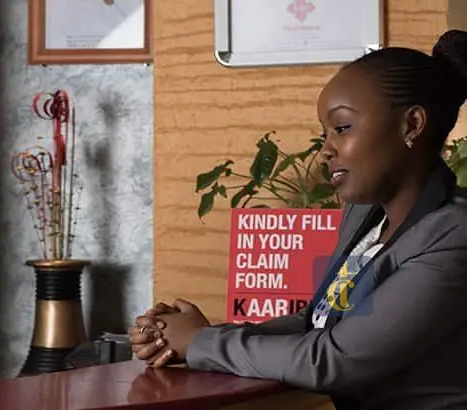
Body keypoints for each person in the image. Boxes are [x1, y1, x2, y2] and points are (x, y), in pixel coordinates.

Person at [129, 29, 467, 410]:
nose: (326, 150)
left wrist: (199, 342)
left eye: (342, 128)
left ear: (412, 125)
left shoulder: (454, 235)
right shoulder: (364, 216)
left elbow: (332, 360)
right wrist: (191, 335)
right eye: (325, 134)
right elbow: (317, 322)